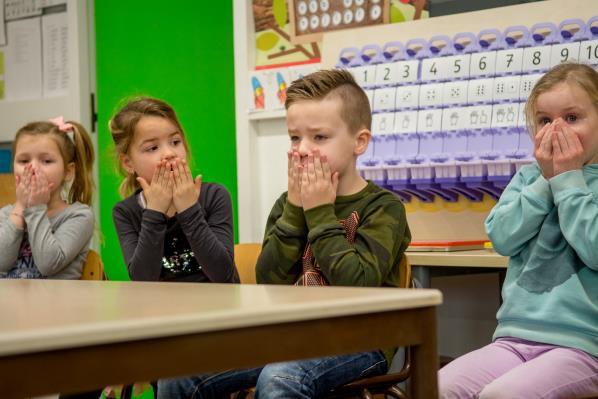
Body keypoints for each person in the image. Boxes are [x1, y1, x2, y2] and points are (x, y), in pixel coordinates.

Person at [158, 69, 411, 398]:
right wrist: (295, 208)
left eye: (319, 137)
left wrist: (319, 212)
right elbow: (270, 285)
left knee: (281, 378)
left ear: (359, 142)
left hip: (360, 342)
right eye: (294, 137)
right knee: (180, 372)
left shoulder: (383, 207)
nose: (302, 149)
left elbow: (358, 286)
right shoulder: (287, 204)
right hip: (289, 335)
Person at [438, 62, 598, 398]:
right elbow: (502, 237)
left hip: (584, 346)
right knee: (439, 385)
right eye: (544, 120)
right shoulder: (528, 178)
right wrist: (546, 180)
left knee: (504, 395)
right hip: (514, 339)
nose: (557, 130)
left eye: (571, 118)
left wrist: (568, 181)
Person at [110, 97, 238, 284]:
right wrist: (155, 212)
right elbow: (143, 280)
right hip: (163, 310)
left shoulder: (214, 196)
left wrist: (189, 209)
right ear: (128, 163)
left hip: (217, 307)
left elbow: (223, 275)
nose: (170, 153)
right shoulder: (125, 212)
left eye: (175, 142)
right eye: (152, 147)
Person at [0, 117, 95, 279]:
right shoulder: (6, 214)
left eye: (46, 161)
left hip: (56, 303)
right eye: (24, 161)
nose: (34, 168)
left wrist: (35, 209)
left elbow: (48, 265)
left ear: (68, 171)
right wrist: (21, 207)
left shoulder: (78, 215)